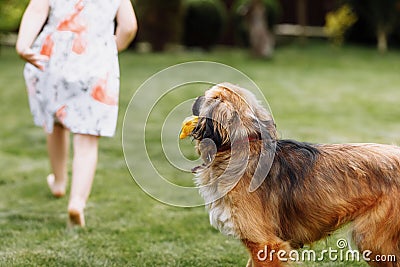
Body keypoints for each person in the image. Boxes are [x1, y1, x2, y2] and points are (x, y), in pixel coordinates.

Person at [16, 0, 137, 227]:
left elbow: (36, 10)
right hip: (95, 62)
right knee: (87, 139)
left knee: (56, 123)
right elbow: (129, 26)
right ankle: (77, 202)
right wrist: (113, 46)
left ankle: (59, 182)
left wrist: (23, 45)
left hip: (55, 60)